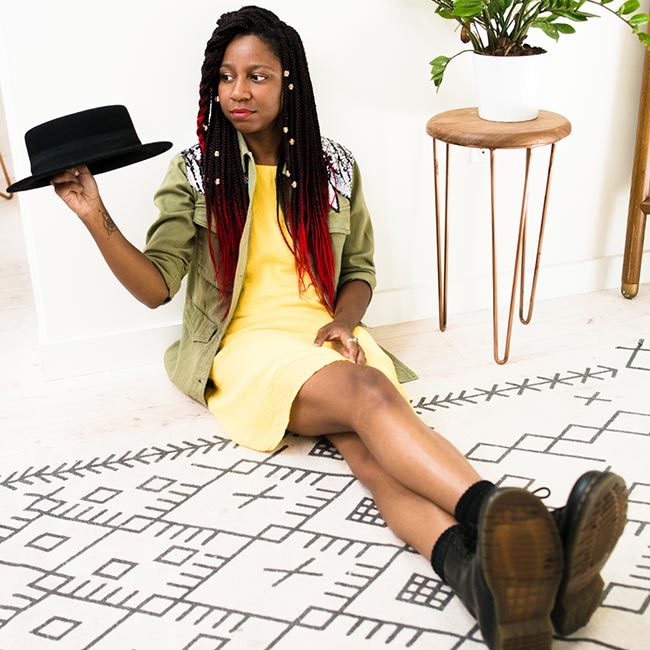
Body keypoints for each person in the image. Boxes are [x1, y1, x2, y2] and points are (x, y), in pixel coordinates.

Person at [50, 6, 628, 649]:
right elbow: (155, 288)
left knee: (381, 458)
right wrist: (94, 215)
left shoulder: (333, 165)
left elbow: (358, 270)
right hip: (243, 347)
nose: (238, 91)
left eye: (258, 76)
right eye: (225, 76)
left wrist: (342, 323)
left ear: (289, 81)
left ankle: (489, 594)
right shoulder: (195, 173)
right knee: (373, 398)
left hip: (324, 333)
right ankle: (535, 533)